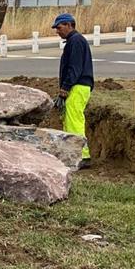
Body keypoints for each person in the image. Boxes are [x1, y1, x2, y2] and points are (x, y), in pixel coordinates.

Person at [52, 13, 94, 167]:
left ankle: (82, 156)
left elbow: (74, 67)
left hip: (78, 86)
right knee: (71, 119)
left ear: (69, 25)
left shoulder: (75, 41)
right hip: (79, 86)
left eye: (59, 27)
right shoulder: (74, 41)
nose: (57, 31)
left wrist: (65, 87)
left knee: (74, 120)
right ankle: (73, 153)